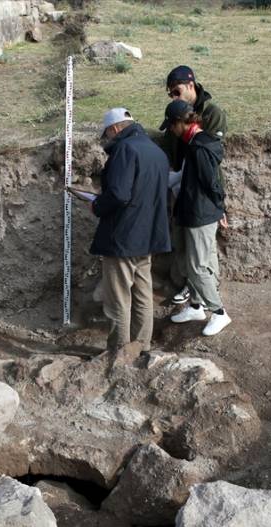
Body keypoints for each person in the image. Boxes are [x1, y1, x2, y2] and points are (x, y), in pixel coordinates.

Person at [80, 108, 171, 351]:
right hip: (149, 235)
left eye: (107, 134)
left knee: (118, 297)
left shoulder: (124, 149)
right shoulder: (156, 151)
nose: (108, 139)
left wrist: (97, 205)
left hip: (123, 237)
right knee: (143, 294)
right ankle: (141, 348)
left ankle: (119, 351)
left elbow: (119, 194)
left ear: (115, 128)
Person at [157, 65, 229, 305]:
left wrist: (219, 204)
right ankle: (197, 297)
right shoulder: (176, 116)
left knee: (202, 251)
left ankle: (213, 304)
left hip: (201, 192)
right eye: (170, 94)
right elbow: (170, 149)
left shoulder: (212, 114)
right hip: (183, 187)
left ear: (190, 85)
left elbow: (210, 164)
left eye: (176, 92)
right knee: (185, 242)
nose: (173, 96)